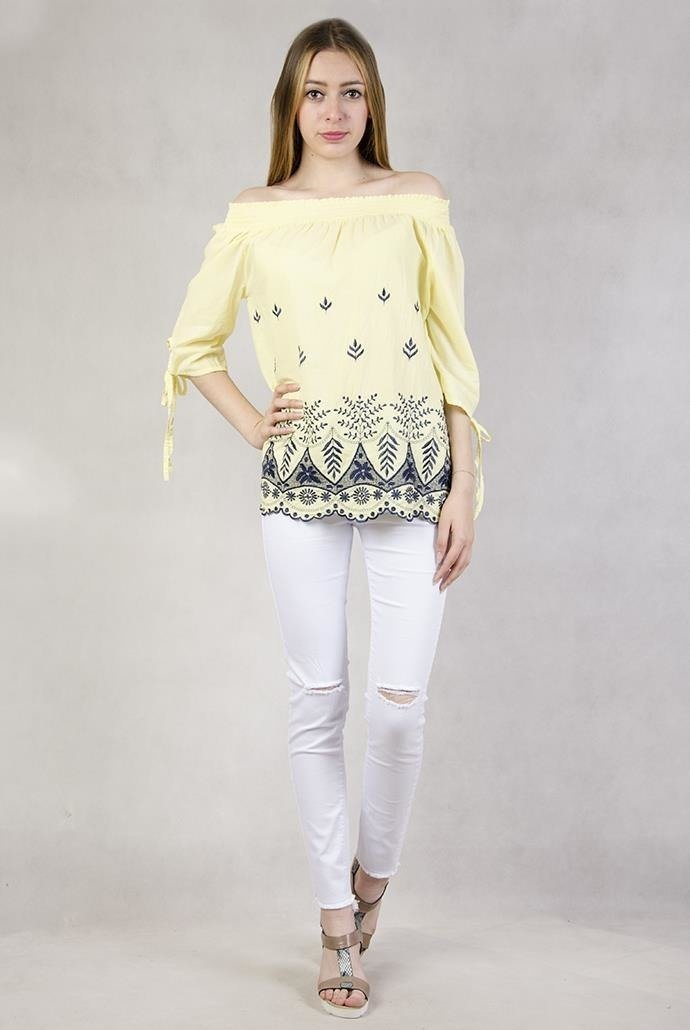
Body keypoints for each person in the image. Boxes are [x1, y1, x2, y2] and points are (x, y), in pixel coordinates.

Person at [161, 17, 492, 1019]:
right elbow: (192, 345)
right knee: (317, 700)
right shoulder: (256, 215)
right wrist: (256, 425)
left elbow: (453, 352)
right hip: (302, 477)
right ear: (291, 106)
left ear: (372, 102)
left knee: (398, 706)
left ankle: (372, 878)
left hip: (411, 470)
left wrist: (465, 484)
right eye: (316, 92)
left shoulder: (417, 199)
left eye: (351, 91)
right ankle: (333, 921)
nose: (335, 110)